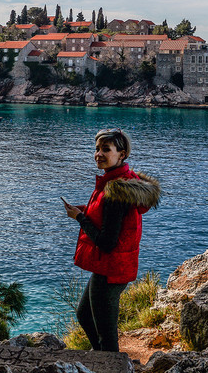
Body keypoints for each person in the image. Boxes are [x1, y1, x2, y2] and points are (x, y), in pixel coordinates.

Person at [62, 128, 160, 351]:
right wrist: (86, 211)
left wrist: (80, 218)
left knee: (106, 335)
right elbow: (109, 218)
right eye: (96, 149)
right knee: (84, 315)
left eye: (106, 149)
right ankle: (101, 359)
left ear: (122, 154)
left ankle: (110, 363)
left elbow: (107, 242)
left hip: (111, 268)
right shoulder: (120, 181)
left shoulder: (116, 190)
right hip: (114, 266)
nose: (98, 154)